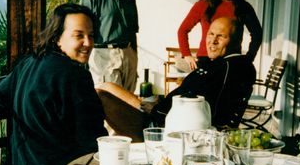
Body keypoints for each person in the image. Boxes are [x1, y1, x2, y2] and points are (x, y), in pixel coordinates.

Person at [0, 3, 108, 165]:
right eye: (78, 35)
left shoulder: (27, 63)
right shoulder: (75, 75)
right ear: (57, 39)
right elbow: (92, 138)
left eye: (91, 35)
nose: (88, 43)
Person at [97, 17, 256, 134]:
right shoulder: (228, 65)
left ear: (236, 41)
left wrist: (156, 110)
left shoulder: (226, 67)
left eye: (221, 36)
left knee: (104, 89)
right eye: (211, 34)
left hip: (160, 127)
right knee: (107, 88)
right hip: (164, 116)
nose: (212, 41)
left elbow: (199, 107)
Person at [177, 0, 263, 71]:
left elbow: (257, 33)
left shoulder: (243, 7)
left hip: (232, 64)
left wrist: (249, 58)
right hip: (206, 61)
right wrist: (186, 55)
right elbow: (182, 30)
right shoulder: (203, 5)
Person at [79, 0, 139, 92]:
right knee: (110, 104)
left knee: (128, 102)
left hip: (128, 55)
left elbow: (133, 31)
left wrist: (134, 56)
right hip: (104, 55)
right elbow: (82, 28)